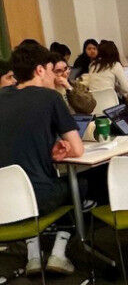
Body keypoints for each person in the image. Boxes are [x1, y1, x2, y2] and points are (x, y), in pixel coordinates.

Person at [0, 43, 85, 275]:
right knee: (82, 185)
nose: (52, 75)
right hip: (38, 198)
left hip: (2, 203)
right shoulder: (49, 98)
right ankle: (58, 251)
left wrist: (46, 151)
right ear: (39, 70)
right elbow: (77, 150)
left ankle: (34, 255)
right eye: (50, 69)